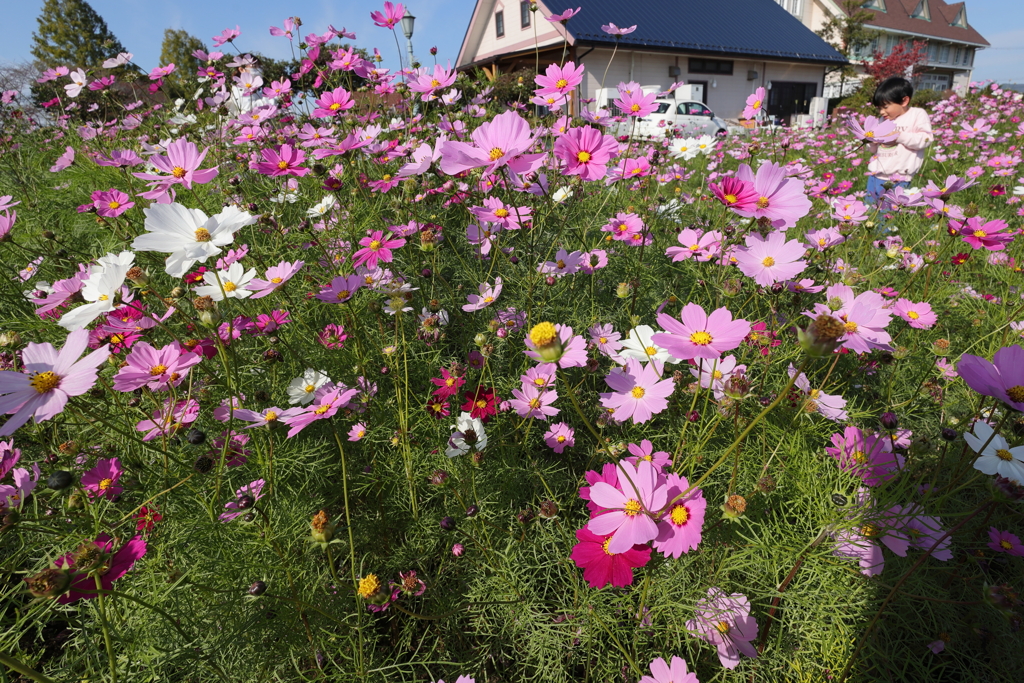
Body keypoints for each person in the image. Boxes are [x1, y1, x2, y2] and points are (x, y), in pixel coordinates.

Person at [866, 77, 933, 207]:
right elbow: (873, 150)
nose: (882, 112)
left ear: (904, 101)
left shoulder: (917, 114)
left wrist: (898, 137)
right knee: (870, 210)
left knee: (889, 214)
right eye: (879, 108)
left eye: (885, 107)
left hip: (899, 178)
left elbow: (926, 139)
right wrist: (871, 141)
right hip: (875, 175)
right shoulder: (883, 119)